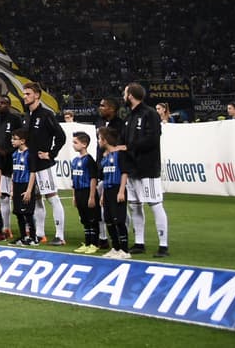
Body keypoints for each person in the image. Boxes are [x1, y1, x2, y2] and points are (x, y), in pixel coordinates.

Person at [122, 82, 169, 257]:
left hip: (148, 168)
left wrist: (130, 147)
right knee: (134, 206)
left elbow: (152, 139)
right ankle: (139, 242)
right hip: (132, 169)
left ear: (131, 95)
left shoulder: (150, 114)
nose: (123, 96)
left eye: (125, 93)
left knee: (155, 204)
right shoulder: (129, 117)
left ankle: (163, 245)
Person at [22, 81, 66, 245]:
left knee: (52, 198)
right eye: (24, 94)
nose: (25, 97)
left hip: (43, 165)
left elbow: (61, 136)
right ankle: (40, 233)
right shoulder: (27, 115)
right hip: (31, 165)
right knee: (37, 199)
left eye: (28, 94)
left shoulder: (46, 114)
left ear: (37, 95)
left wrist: (51, 154)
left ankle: (60, 236)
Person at [0, 95, 24, 238]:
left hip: (16, 164)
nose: (0, 105)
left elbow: (21, 140)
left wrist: (6, 152)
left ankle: (30, 228)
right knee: (3, 197)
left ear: (9, 105)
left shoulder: (15, 119)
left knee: (22, 197)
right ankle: (6, 228)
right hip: (2, 166)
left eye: (3, 103)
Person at [98, 128, 130, 259]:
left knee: (119, 220)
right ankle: (115, 248)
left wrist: (122, 190)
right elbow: (105, 176)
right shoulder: (104, 157)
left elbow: (124, 172)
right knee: (109, 220)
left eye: (99, 138)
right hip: (107, 190)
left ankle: (125, 250)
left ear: (105, 140)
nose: (98, 141)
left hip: (117, 189)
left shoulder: (119, 154)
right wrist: (103, 194)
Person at [69, 131, 101, 253]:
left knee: (92, 218)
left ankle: (95, 243)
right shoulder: (75, 160)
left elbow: (93, 178)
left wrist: (92, 196)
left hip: (88, 191)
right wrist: (74, 196)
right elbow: (73, 179)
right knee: (84, 219)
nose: (73, 145)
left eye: (75, 142)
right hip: (78, 192)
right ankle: (87, 243)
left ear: (84, 144)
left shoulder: (89, 160)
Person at [9, 128, 37, 246]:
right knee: (18, 213)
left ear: (23, 141)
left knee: (28, 213)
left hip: (26, 185)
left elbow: (32, 172)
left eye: (15, 139)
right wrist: (11, 189)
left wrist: (29, 190)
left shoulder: (29, 154)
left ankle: (33, 237)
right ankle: (22, 236)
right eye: (12, 139)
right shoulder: (14, 154)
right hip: (16, 185)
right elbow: (13, 172)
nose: (12, 141)